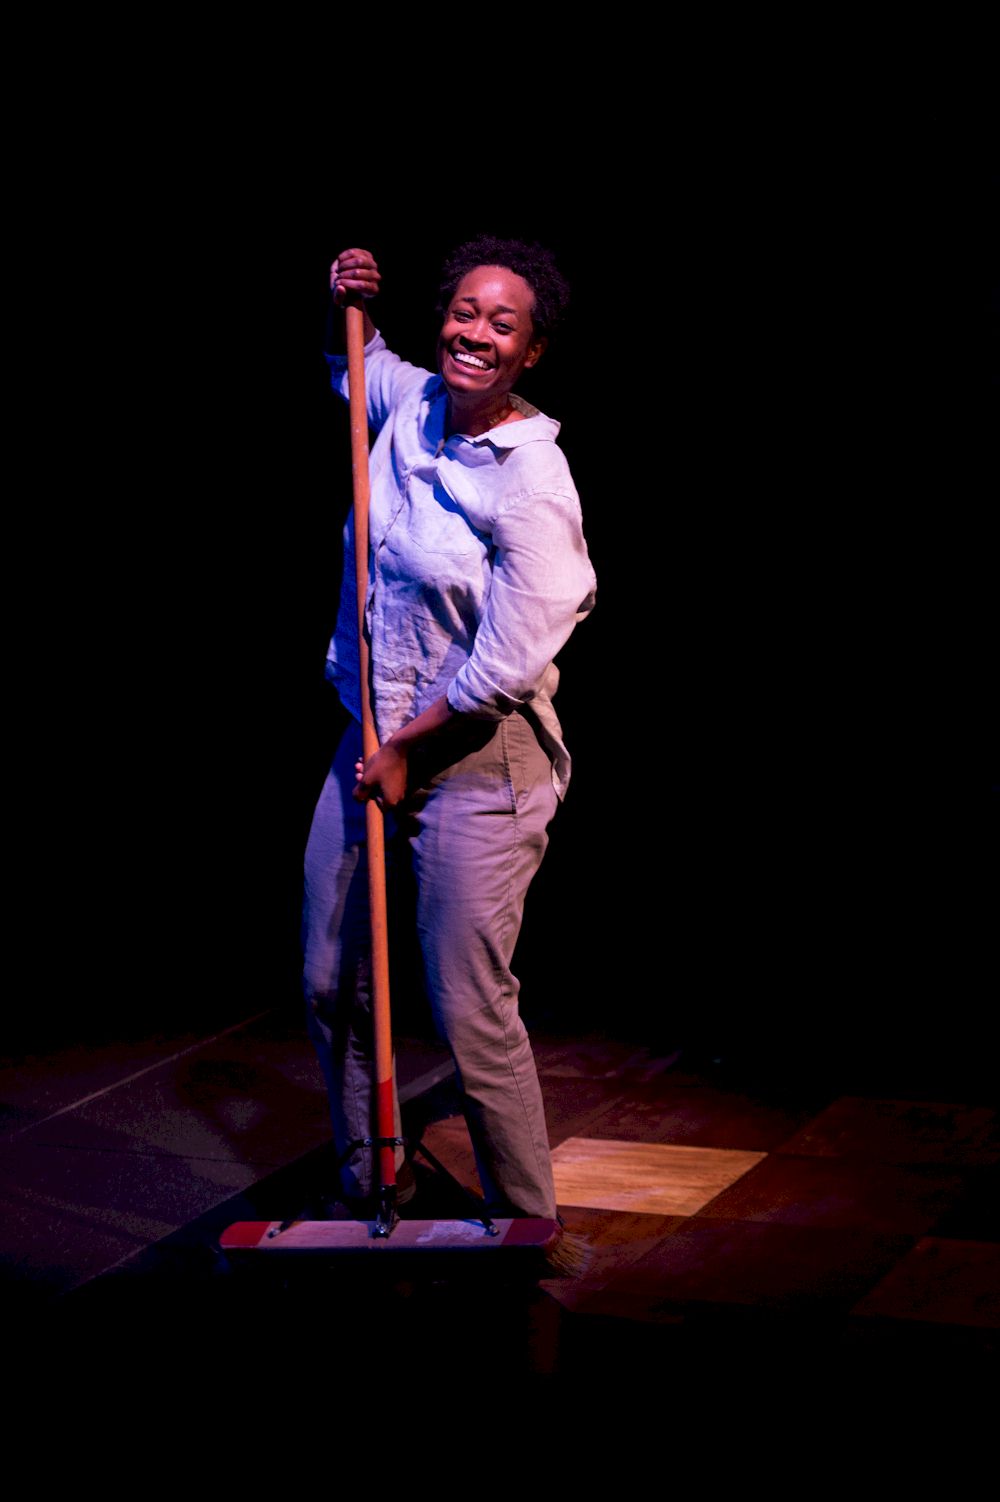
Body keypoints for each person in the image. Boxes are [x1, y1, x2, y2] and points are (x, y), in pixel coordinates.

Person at [303, 238, 596, 1221]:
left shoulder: (532, 480)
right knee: (327, 981)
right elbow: (360, 359)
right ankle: (369, 1187)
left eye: (501, 324)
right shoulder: (410, 404)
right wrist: (351, 295)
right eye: (464, 312)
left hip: (476, 756)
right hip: (372, 734)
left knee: (467, 1011)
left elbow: (503, 668)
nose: (475, 334)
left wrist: (403, 750)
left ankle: (525, 1221)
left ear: (530, 352)